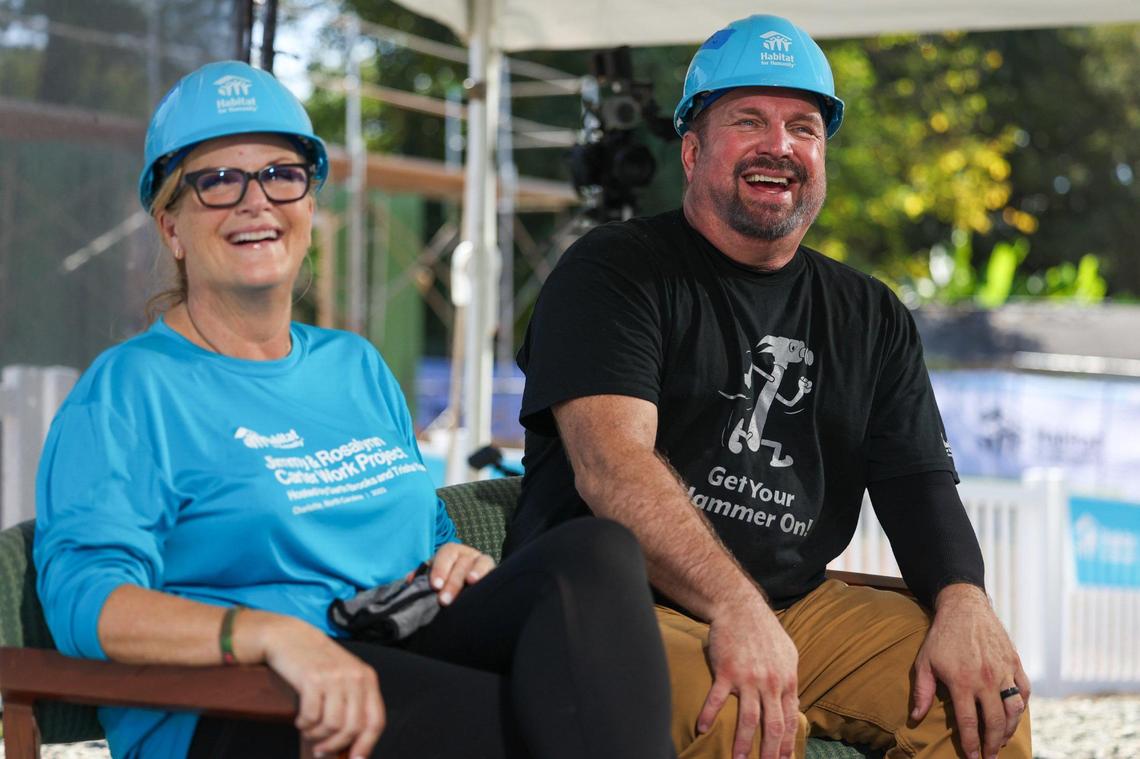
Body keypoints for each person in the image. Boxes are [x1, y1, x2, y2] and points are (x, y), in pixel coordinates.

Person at [34, 60, 674, 759]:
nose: (256, 201)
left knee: (593, 553)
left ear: (309, 204)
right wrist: (268, 634)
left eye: (282, 174)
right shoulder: (129, 390)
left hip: (397, 638)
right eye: (217, 181)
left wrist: (450, 557)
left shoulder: (355, 366)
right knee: (549, 722)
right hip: (239, 703)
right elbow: (85, 602)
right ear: (171, 226)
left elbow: (421, 530)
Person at [508, 14, 1031, 759]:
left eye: (803, 127)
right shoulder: (614, 271)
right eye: (748, 120)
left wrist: (962, 597)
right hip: (621, 599)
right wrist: (732, 604)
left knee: (982, 702)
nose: (779, 146)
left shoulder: (869, 312)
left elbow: (918, 481)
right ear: (692, 150)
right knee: (731, 718)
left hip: (797, 607)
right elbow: (611, 467)